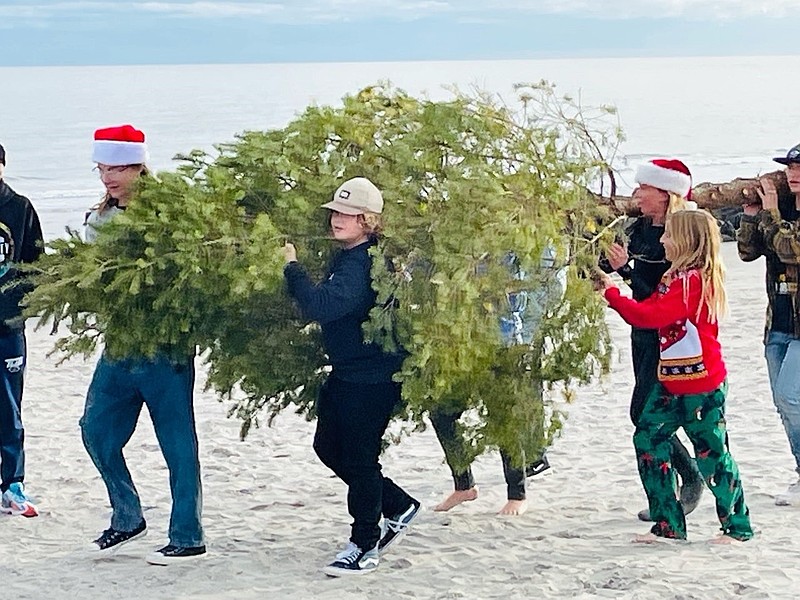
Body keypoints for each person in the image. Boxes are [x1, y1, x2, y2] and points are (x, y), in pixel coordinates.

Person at [80, 125, 206, 564]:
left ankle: (188, 536)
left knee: (176, 442)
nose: (107, 177)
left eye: (116, 167)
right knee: (94, 430)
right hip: (118, 344)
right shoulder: (99, 219)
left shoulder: (168, 215)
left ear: (138, 166)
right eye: (101, 168)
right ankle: (127, 516)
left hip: (165, 347)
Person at [283, 176, 420, 577]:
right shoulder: (350, 257)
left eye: (347, 214)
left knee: (360, 461)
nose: (337, 219)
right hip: (348, 374)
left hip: (372, 378)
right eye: (335, 212)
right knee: (327, 447)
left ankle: (364, 544)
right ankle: (397, 505)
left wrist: (292, 267)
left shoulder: (362, 264)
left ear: (368, 220)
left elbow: (318, 305)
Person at [600, 208, 753, 543]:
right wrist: (616, 282)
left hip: (702, 385)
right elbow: (648, 305)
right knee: (647, 437)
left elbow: (649, 316)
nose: (663, 240)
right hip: (670, 381)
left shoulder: (694, 281)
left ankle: (737, 527)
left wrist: (611, 294)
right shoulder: (673, 277)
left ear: (685, 240)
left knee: (712, 455)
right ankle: (669, 523)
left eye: (668, 235)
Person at [601, 158, 705, 521]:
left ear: (665, 194)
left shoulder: (680, 237)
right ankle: (676, 486)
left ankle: (689, 479)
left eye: (644, 188)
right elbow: (609, 264)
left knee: (645, 413)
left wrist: (625, 271)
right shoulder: (640, 228)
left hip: (670, 335)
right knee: (644, 411)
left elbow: (660, 297)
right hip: (641, 332)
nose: (637, 194)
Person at [430, 248, 564, 516]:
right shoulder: (464, 231)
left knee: (502, 415)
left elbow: (553, 286)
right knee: (441, 411)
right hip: (462, 338)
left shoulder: (529, 236)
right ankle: (463, 483)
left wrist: (525, 328)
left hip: (508, 339)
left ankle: (517, 493)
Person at [738, 142, 800, 506]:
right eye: (789, 167)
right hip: (777, 320)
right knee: (783, 401)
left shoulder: (781, 212)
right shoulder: (782, 209)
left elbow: (791, 249)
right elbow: (747, 251)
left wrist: (771, 212)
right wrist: (750, 214)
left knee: (792, 396)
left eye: (799, 168)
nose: (793, 174)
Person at [0, 142, 44, 518]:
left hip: (7, 326)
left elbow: (36, 264)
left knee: (9, 408)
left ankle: (12, 484)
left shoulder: (20, 208)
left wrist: (20, 306)